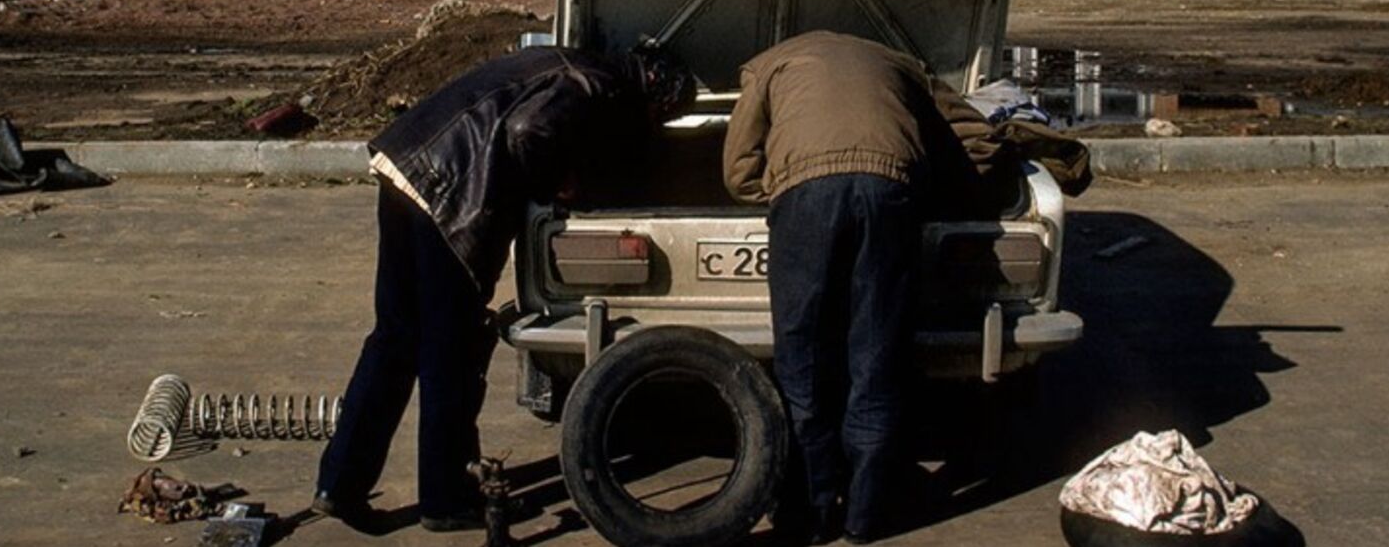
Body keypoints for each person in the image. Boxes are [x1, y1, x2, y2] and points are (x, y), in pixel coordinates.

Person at [314, 44, 695, 530]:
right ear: (655, 92)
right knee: (448, 351)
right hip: (450, 195)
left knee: (394, 337)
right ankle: (447, 500)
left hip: (408, 166)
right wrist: (560, 185)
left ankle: (339, 484)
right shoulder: (595, 85)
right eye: (659, 115)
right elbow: (528, 131)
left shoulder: (568, 59)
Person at [722, 30, 986, 545]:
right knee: (877, 355)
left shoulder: (768, 65)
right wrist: (947, 191)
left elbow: (738, 169)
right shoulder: (904, 64)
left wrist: (778, 189)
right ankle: (866, 515)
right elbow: (972, 136)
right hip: (892, 190)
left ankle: (814, 512)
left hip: (808, 193)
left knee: (804, 360)